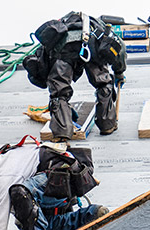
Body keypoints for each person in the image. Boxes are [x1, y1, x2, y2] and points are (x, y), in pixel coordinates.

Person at [23, 11, 127, 141]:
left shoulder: (57, 31)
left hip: (64, 52)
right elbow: (119, 49)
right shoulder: (98, 28)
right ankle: (107, 125)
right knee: (103, 83)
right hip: (91, 48)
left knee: (59, 93)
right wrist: (119, 72)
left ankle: (61, 133)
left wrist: (58, 98)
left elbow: (43, 65)